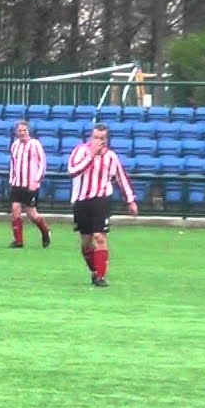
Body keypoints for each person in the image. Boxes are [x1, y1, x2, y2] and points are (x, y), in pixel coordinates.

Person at [66, 123, 138, 287]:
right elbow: (72, 171)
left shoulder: (111, 157)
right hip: (81, 200)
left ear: (107, 139)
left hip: (101, 199)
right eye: (96, 137)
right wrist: (90, 156)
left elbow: (121, 177)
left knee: (99, 236)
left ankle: (100, 276)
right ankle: (94, 270)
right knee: (86, 241)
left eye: (102, 138)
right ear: (91, 137)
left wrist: (130, 200)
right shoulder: (80, 151)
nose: (99, 141)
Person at [8, 121, 51, 249]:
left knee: (31, 214)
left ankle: (45, 231)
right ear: (16, 132)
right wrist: (12, 179)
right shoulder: (14, 145)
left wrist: (36, 181)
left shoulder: (35, 144)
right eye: (19, 130)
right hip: (17, 184)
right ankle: (18, 241)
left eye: (24, 130)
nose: (22, 133)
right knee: (15, 210)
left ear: (28, 131)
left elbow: (42, 163)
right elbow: (13, 163)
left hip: (30, 185)